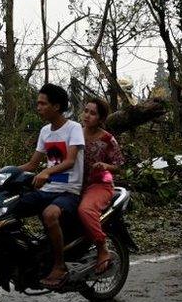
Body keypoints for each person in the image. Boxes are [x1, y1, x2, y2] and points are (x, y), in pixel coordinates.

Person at [16, 83, 85, 288]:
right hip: (48, 190)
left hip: (69, 191)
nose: (38, 107)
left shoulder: (74, 128)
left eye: (42, 103)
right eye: (38, 103)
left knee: (50, 214)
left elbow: (70, 161)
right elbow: (32, 164)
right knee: (14, 207)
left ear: (56, 106)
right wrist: (4, 172)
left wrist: (47, 172)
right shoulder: (45, 131)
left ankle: (59, 264)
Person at [78, 97, 125, 274]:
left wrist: (106, 166)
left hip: (99, 185)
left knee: (85, 210)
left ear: (101, 119)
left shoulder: (107, 139)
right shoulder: (75, 133)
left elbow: (119, 166)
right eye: (86, 111)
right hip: (75, 184)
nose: (87, 115)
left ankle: (102, 247)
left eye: (93, 113)